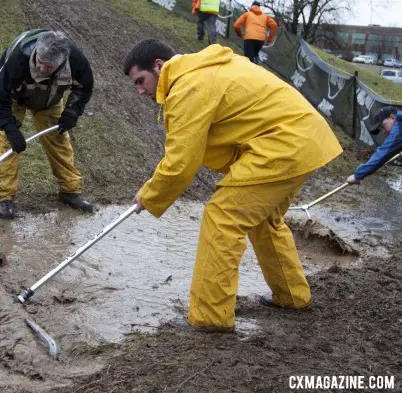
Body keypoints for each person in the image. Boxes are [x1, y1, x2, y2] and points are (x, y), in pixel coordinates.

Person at [123, 40, 342, 332]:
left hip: (284, 144)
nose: (140, 90)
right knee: (264, 221)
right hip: (303, 139)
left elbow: (180, 162)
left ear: (159, 66)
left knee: (223, 217)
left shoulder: (188, 86)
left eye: (141, 80)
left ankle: (209, 318)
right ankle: (292, 296)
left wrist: (149, 195)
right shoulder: (205, 69)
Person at [0, 29, 94, 219]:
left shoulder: (76, 61)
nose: (42, 70)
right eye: (40, 63)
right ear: (36, 52)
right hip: (15, 97)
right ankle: (2, 197)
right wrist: (11, 128)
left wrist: (72, 112)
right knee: (6, 142)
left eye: (49, 67)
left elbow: (84, 88)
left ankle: (70, 191)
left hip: (50, 100)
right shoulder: (18, 60)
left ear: (61, 62)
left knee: (59, 141)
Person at [347, 106, 402, 185]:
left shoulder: (398, 124)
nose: (384, 131)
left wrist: (357, 175)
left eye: (383, 126)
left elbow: (383, 153)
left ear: (392, 117)